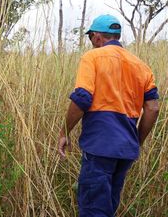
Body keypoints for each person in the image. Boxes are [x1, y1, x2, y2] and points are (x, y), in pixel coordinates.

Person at [58, 14, 160, 216]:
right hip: (125, 150)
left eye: (91, 39)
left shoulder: (92, 58)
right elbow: (153, 108)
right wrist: (136, 140)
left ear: (96, 37)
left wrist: (64, 132)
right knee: (108, 208)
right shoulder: (141, 66)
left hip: (99, 146)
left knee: (93, 210)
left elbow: (82, 99)